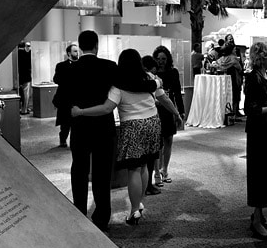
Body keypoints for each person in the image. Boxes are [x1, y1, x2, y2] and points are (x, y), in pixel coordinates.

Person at [71, 49, 159, 226]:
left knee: (133, 169)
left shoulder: (118, 85)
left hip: (134, 127)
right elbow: (159, 90)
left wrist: (80, 111)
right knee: (144, 165)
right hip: (153, 123)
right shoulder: (149, 79)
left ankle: (134, 210)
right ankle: (139, 202)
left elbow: (105, 108)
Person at [62, 30, 117, 232]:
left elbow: (60, 100)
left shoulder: (69, 70)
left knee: (79, 170)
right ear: (96, 45)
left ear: (80, 45)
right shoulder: (110, 67)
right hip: (104, 126)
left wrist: (73, 111)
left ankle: (79, 211)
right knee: (102, 173)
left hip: (80, 126)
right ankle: (102, 217)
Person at [243, 41, 267, 241]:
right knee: (259, 174)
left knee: (266, 173)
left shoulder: (266, 76)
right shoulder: (253, 78)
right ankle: (256, 219)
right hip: (258, 133)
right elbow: (250, 110)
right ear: (262, 57)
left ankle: (259, 214)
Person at [153, 46, 185, 185]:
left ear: (168, 59)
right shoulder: (151, 74)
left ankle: (165, 170)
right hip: (155, 110)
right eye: (158, 59)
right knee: (157, 142)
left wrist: (181, 111)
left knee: (169, 140)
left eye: (164, 59)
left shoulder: (173, 72)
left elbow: (177, 92)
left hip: (169, 109)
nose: (161, 61)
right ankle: (157, 172)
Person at [53, 42, 79, 147]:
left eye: (77, 51)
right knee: (65, 123)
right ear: (69, 53)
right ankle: (63, 139)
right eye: (75, 51)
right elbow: (56, 79)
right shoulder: (61, 66)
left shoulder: (81, 65)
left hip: (77, 99)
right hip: (65, 99)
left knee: (76, 122)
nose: (77, 53)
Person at [218, 35, 244, 116]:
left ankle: (232, 111)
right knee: (235, 93)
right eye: (230, 39)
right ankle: (234, 111)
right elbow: (239, 68)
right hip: (234, 76)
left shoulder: (222, 59)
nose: (231, 40)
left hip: (228, 77)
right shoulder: (233, 58)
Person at [17, 41, 32, 115]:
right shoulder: (27, 54)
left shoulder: (16, 54)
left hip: (19, 77)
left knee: (20, 94)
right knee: (26, 94)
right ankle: (24, 109)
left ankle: (19, 108)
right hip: (26, 76)